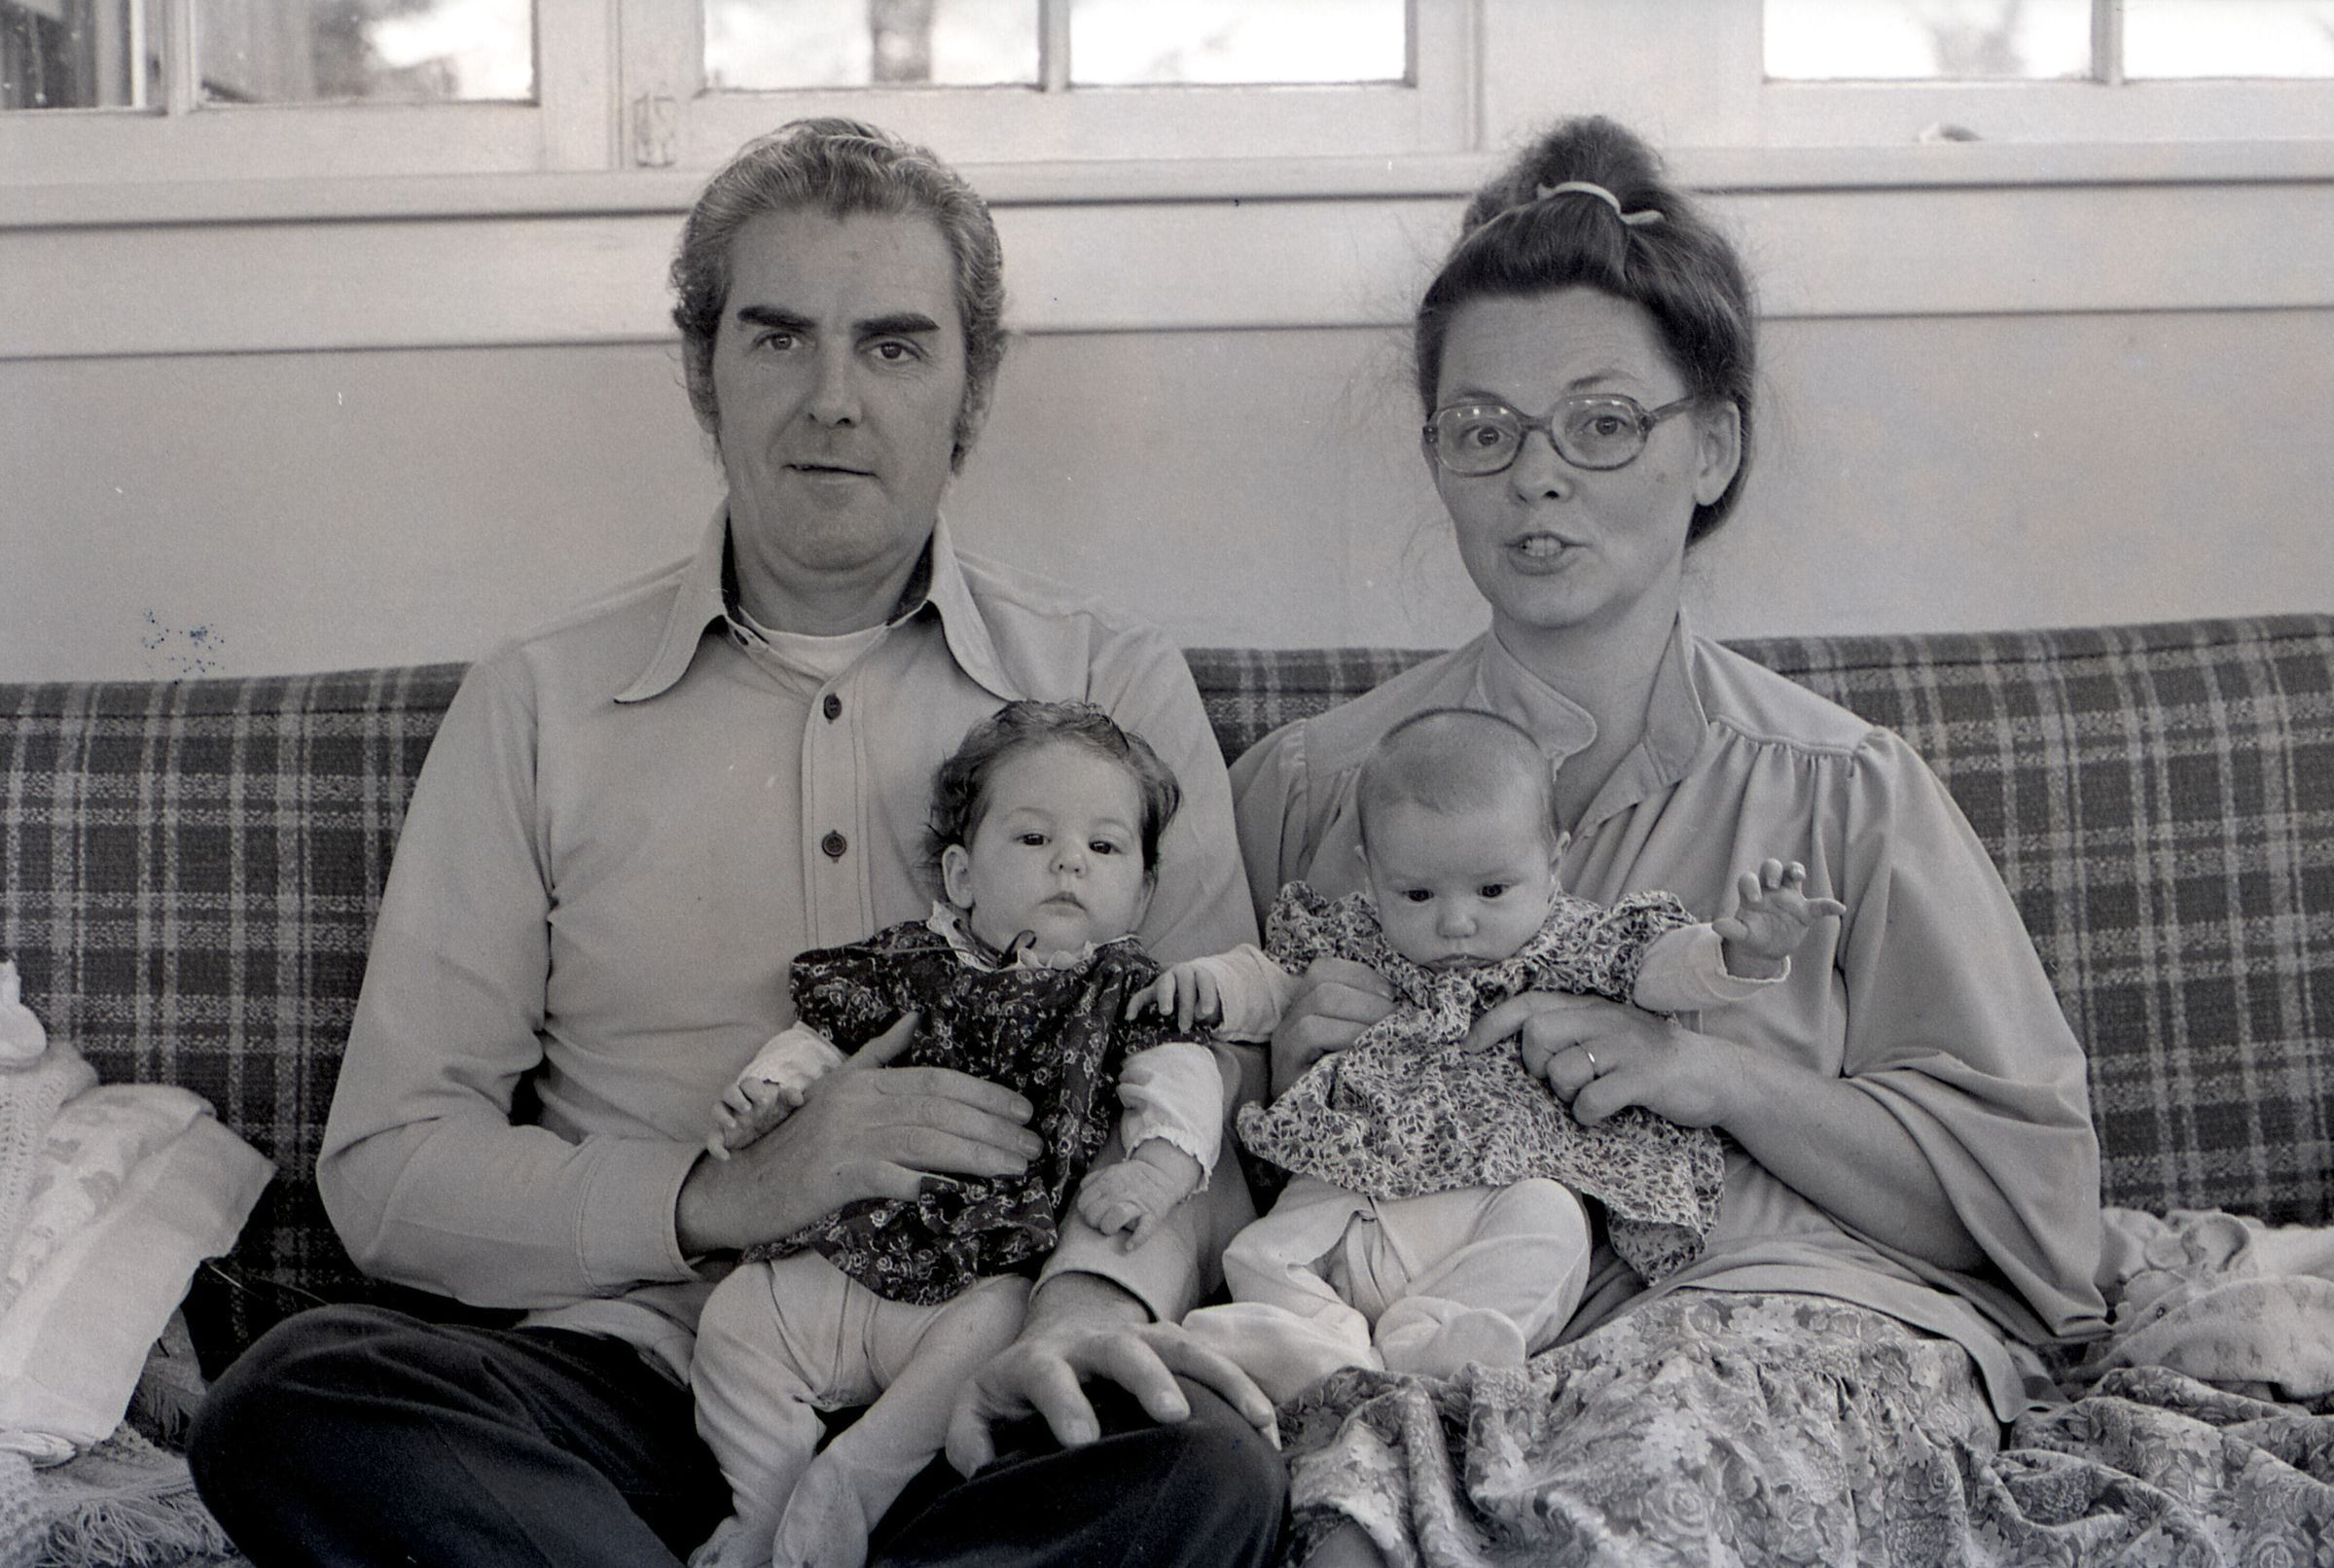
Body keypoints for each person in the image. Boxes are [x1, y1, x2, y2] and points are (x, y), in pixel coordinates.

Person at [186, 118, 1284, 1568]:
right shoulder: (542, 699)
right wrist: (723, 1194)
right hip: (631, 1385)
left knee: (1204, 1474)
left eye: (892, 346)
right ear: (702, 370)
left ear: (971, 386)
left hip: (979, 1378)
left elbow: (1208, 1087)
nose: (832, 399)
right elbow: (390, 1166)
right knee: (301, 1393)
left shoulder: (1108, 681)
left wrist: (1079, 1315)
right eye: (778, 338)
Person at [1229, 116, 2108, 1566]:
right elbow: (1191, 1170)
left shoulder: (1845, 792)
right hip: (1431, 1347)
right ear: (1435, 457)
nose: (1535, 478)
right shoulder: (1306, 789)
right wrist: (1279, 1078)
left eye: (1600, 422)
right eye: (1482, 428)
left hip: (1784, 1336)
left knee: (1633, 1491)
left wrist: (1715, 1076)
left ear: (1710, 447)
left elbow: (2036, 1218)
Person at [1147, 706, 1841, 1403]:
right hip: (1353, 1183)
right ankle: (1328, 1343)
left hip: (1495, 1192)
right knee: (1258, 1253)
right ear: (1370, 872)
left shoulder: (1571, 942)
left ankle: (1430, 1337)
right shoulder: (1352, 939)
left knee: (1553, 1225)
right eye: (1417, 893)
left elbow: (1660, 969)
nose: (1456, 922)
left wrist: (1739, 952)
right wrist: (1209, 984)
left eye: (1491, 890)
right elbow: (1270, 981)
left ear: (1553, 864)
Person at [691, 700, 1229, 1568]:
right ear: (961, 874)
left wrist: (1156, 1172)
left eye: (1104, 847)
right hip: (844, 1248)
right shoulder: (906, 967)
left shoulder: (1125, 993)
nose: (1069, 862)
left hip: (980, 1275)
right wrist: (771, 1093)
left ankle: (852, 1481)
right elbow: (821, 1042)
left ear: (1141, 891)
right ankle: (765, 1499)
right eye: (1033, 838)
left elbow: (1182, 1081)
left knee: (1002, 1326)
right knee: (734, 1322)